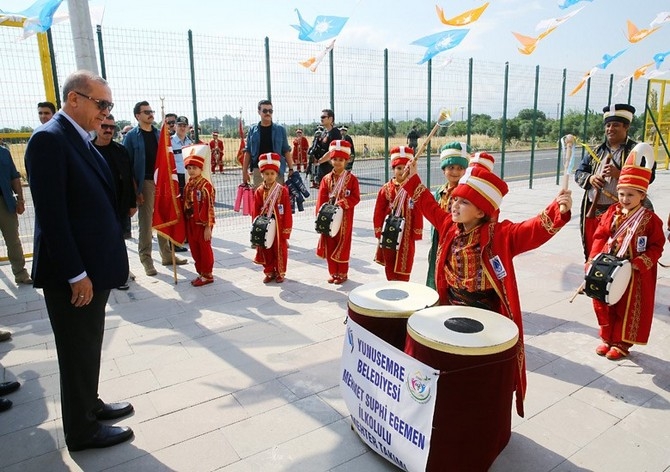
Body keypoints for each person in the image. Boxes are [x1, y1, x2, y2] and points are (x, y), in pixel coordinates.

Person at [403, 154, 572, 416]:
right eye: (455, 199)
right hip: (451, 309)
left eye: (464, 202)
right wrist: (412, 176)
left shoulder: (501, 235)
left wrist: (558, 209)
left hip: (486, 317)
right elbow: (428, 205)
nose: (454, 206)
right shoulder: (449, 226)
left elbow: (533, 228)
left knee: (478, 369)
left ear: (482, 211)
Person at [25, 70, 134, 451]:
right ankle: (81, 431)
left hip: (92, 269)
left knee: (88, 345)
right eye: (101, 104)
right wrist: (76, 274)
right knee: (76, 351)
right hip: (74, 275)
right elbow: (53, 217)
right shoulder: (49, 141)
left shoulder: (79, 138)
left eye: (109, 106)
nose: (106, 114)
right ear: (74, 100)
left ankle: (89, 405)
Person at [588, 144, 664, 361]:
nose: (624, 198)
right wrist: (593, 258)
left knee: (627, 307)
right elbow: (600, 236)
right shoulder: (612, 212)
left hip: (635, 272)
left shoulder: (651, 220)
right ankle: (606, 337)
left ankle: (621, 343)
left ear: (642, 195)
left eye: (631, 194)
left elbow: (657, 246)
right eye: (621, 193)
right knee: (603, 301)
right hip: (608, 266)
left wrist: (640, 263)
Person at [574, 104, 656, 260]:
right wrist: (591, 178)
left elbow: (649, 176)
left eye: (615, 125)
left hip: (623, 213)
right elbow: (579, 173)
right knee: (594, 251)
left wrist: (620, 174)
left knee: (620, 252)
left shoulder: (637, 149)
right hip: (594, 210)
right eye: (608, 125)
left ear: (626, 127)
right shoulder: (597, 150)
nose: (610, 129)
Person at [124, 100, 186, 275]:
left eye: (151, 111)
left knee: (164, 216)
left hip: (163, 182)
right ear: (138, 116)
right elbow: (127, 166)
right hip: (145, 182)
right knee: (146, 223)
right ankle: (146, 259)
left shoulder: (160, 134)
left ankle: (167, 255)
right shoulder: (131, 137)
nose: (150, 114)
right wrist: (136, 190)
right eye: (146, 112)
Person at [93, 114, 137, 288]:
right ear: (96, 127)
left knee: (118, 240)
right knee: (99, 242)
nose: (109, 130)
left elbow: (129, 177)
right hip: (97, 206)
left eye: (112, 127)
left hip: (120, 204)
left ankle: (120, 273)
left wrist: (133, 202)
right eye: (104, 126)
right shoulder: (88, 150)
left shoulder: (120, 150)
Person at [373, 146, 423, 281]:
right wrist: (378, 231)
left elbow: (418, 211)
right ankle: (391, 282)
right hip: (388, 230)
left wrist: (417, 231)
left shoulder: (414, 189)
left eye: (405, 168)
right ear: (393, 169)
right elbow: (378, 210)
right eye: (398, 168)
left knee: (405, 259)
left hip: (407, 234)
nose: (402, 171)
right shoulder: (385, 189)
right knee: (389, 258)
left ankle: (403, 284)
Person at [426, 142, 470, 289]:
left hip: (456, 241)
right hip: (439, 239)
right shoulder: (440, 191)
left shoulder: (467, 193)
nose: (455, 172)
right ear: (444, 169)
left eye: (460, 168)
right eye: (451, 167)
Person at [316, 140, 360, 284]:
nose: (337, 162)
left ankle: (342, 273)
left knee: (343, 244)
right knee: (329, 245)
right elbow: (321, 198)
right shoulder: (326, 179)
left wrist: (343, 203)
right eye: (334, 159)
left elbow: (355, 197)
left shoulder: (352, 179)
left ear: (346, 161)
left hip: (345, 219)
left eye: (341, 160)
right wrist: (320, 215)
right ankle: (333, 272)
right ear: (331, 160)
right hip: (329, 219)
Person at [252, 153, 292, 283]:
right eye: (267, 174)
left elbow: (287, 212)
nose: (269, 176)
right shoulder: (259, 191)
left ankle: (280, 272)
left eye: (272, 174)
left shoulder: (283, 191)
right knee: (266, 248)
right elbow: (255, 210)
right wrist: (256, 226)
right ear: (262, 174)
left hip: (279, 226)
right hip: (264, 226)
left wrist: (286, 230)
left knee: (279, 249)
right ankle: (269, 271)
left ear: (277, 174)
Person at [242, 99, 295, 188]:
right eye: (265, 111)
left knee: (277, 198)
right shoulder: (252, 130)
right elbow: (248, 151)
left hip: (276, 170)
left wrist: (291, 169)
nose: (268, 113)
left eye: (270, 111)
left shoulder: (280, 129)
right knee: (260, 199)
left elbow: (286, 150)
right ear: (259, 112)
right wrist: (244, 172)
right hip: (258, 170)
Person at [0, 146, 33, 285]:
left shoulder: (4, 153)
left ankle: (20, 273)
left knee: (13, 240)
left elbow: (14, 177)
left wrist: (20, 199)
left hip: (4, 202)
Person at [183, 152, 216, 287]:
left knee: (204, 248)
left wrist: (208, 226)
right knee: (194, 248)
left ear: (201, 169)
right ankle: (201, 272)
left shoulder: (205, 186)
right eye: (189, 168)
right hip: (191, 221)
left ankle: (207, 274)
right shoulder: (189, 184)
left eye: (194, 168)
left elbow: (209, 207)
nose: (191, 171)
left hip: (202, 224)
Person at [313, 109, 342, 188]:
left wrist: (320, 160)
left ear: (330, 119)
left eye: (323, 117)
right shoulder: (323, 133)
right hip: (322, 168)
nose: (321, 119)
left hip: (331, 168)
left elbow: (334, 150)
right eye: (321, 117)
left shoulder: (335, 133)